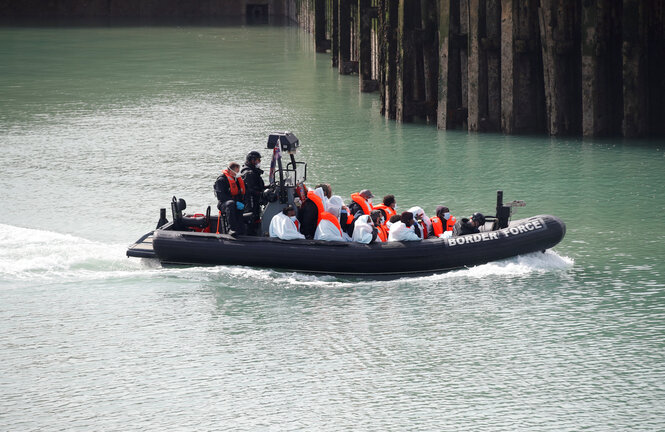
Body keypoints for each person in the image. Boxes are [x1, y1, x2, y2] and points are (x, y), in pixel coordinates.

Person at [214, 162, 246, 235]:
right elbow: (221, 196)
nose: (238, 173)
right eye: (237, 171)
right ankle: (231, 229)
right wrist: (235, 202)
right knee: (231, 204)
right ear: (231, 171)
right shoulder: (221, 180)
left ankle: (241, 229)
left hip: (235, 202)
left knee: (239, 205)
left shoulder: (236, 179)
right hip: (224, 203)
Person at [241, 150, 266, 236]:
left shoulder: (254, 171)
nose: (259, 162)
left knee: (256, 216)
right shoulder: (248, 173)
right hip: (250, 200)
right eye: (258, 160)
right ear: (252, 160)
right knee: (251, 216)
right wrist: (261, 194)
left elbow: (258, 186)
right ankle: (250, 235)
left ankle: (254, 231)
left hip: (255, 199)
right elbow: (249, 190)